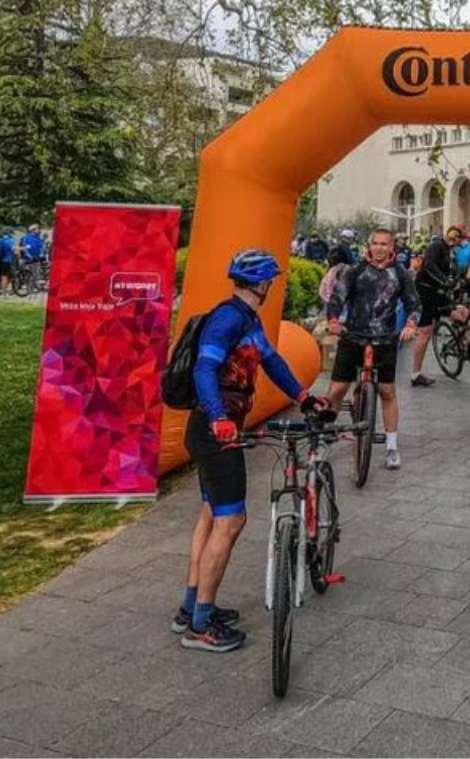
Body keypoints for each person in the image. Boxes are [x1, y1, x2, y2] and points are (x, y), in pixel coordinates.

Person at [177, 249, 329, 651]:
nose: (271, 286)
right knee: (231, 520)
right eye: (270, 281)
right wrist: (218, 417)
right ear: (262, 283)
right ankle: (201, 626)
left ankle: (190, 608)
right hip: (215, 431)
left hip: (211, 429)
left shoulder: (248, 319)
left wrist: (303, 396)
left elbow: (272, 360)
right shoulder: (229, 319)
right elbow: (204, 368)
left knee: (211, 514)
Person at [324, 228, 421, 469]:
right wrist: (333, 321)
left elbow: (414, 304)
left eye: (384, 244)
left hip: (385, 340)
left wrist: (410, 324)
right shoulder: (355, 271)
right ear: (369, 245)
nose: (379, 248)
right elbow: (337, 298)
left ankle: (391, 447)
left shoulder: (400, 273)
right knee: (336, 390)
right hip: (353, 337)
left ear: (392, 247)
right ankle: (323, 437)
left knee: (387, 392)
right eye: (375, 243)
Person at [408, 225, 464, 386]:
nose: (454, 238)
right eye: (452, 235)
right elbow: (429, 265)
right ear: (447, 234)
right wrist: (444, 280)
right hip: (425, 292)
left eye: (458, 237)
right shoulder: (436, 246)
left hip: (440, 292)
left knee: (462, 313)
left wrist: (459, 280)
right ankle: (415, 374)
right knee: (425, 333)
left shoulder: (451, 252)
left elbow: (455, 271)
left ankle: (459, 346)